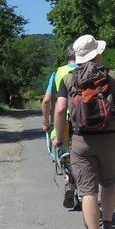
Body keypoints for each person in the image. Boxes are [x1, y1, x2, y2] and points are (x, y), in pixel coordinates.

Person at [53, 35, 115, 229]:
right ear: (98, 54)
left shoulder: (69, 80)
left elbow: (60, 110)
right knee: (108, 184)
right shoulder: (112, 76)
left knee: (88, 191)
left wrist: (59, 137)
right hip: (108, 138)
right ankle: (108, 228)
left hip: (81, 141)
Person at [42, 45, 79, 208]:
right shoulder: (89, 68)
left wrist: (46, 122)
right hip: (84, 121)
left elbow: (46, 101)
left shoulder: (57, 73)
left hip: (63, 122)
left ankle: (68, 180)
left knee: (63, 152)